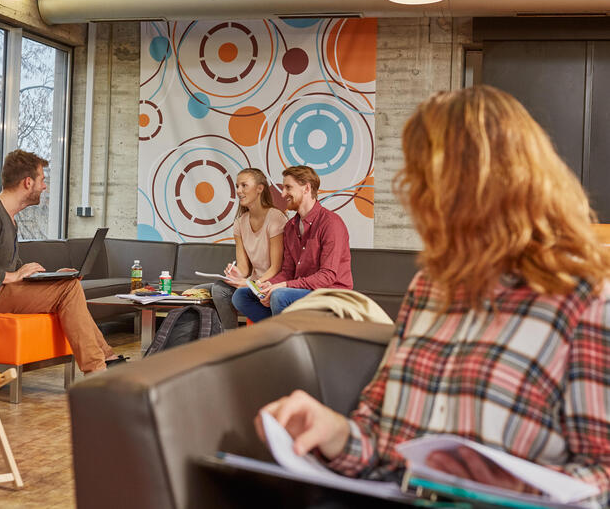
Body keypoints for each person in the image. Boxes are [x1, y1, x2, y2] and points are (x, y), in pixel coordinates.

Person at [255, 86, 610, 505]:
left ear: (511, 183)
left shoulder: (584, 299)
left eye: (442, 183)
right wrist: (333, 431)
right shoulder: (428, 288)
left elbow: (599, 474)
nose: (424, 200)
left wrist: (507, 486)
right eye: (422, 181)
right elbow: (381, 443)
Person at [0, 149, 126, 373]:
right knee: (68, 289)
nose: (44, 186)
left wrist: (53, 277)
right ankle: (98, 371)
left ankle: (107, 358)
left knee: (69, 285)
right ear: (28, 182)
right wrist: (13, 276)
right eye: (42, 180)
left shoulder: (8, 217)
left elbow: (9, 266)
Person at [232, 165, 352, 322]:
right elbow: (287, 271)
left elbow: (327, 276)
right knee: (241, 296)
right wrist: (266, 285)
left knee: (279, 296)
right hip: (299, 292)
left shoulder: (331, 223)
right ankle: (279, 333)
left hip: (330, 294)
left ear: (306, 188)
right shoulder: (290, 227)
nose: (282, 194)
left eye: (288, 188)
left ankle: (283, 340)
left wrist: (284, 286)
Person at [197, 168, 287, 329]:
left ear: (260, 188)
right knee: (200, 290)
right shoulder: (240, 223)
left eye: (244, 185)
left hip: (271, 283)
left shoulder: (276, 218)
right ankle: (230, 339)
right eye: (237, 186)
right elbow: (244, 268)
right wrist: (237, 273)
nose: (239, 191)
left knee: (216, 290)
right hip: (252, 282)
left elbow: (276, 267)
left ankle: (233, 341)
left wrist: (253, 283)